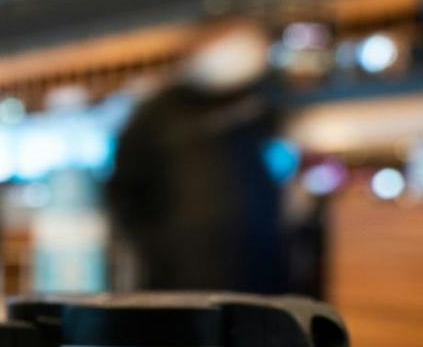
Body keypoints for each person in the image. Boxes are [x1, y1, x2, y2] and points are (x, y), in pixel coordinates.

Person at [106, 17, 289, 294]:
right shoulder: (157, 115)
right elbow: (124, 194)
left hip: (257, 276)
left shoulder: (259, 109)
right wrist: (156, 248)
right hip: (179, 280)